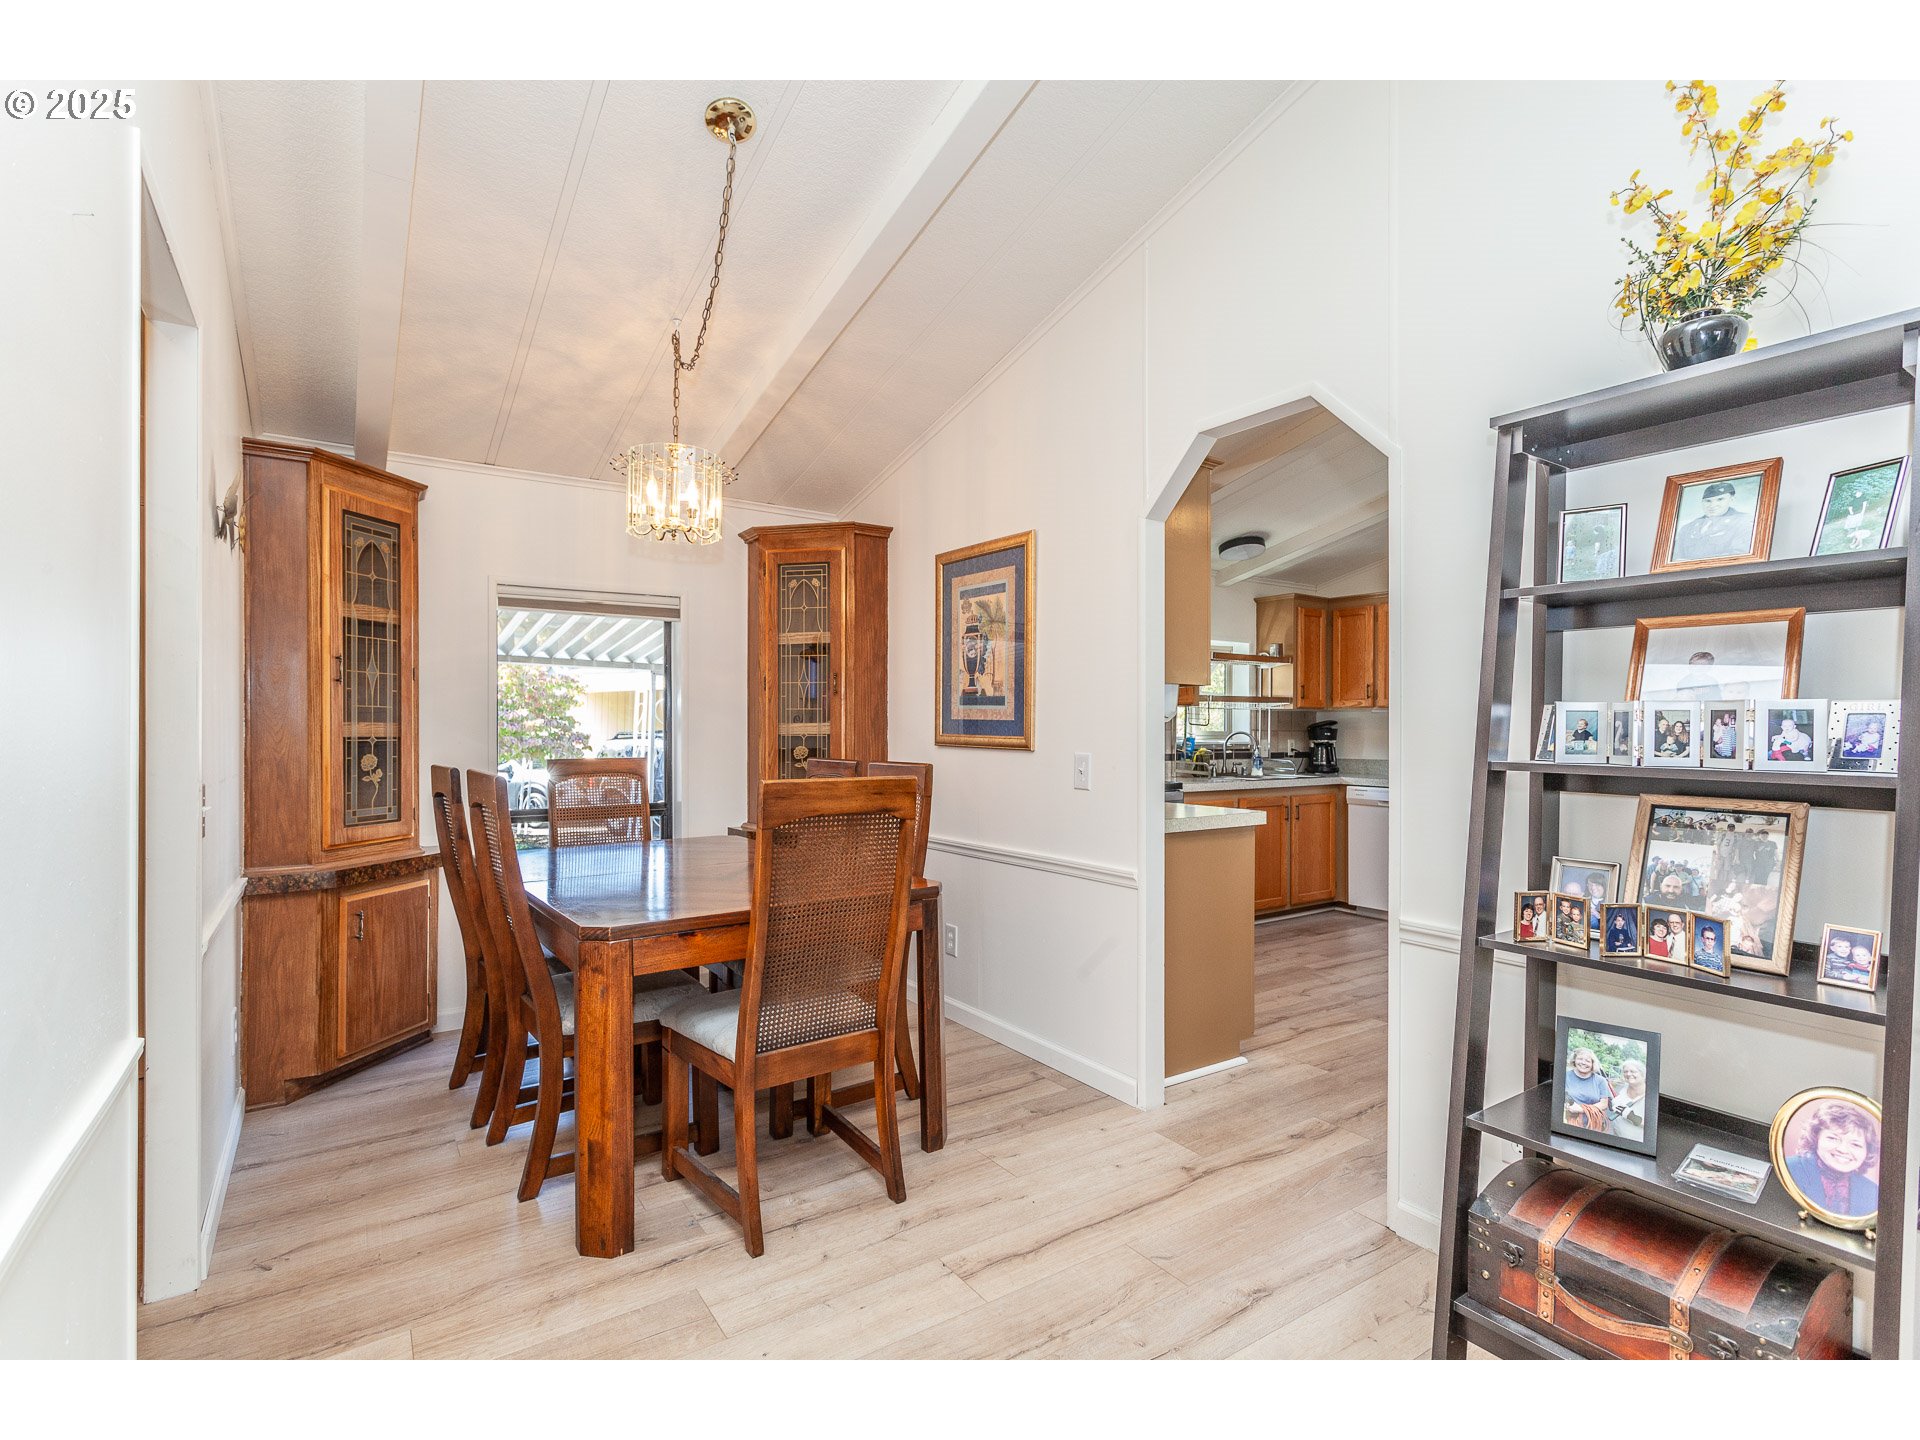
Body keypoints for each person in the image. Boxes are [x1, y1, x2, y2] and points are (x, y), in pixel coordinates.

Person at [1785, 1101, 1880, 1219]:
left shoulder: (1872, 1191)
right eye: (1833, 1138)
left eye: (1855, 1144)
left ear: (1867, 1151)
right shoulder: (1788, 1169)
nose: (1843, 1150)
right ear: (1815, 1138)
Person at [1672, 478, 1755, 562]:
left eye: (1720, 499)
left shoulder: (1744, 522)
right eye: (1708, 501)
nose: (1713, 505)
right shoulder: (1688, 528)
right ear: (1702, 502)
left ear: (1732, 499)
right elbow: (1674, 558)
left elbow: (1740, 556)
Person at [1562, 1046, 1614, 1131]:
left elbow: (1604, 1104)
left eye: (1587, 1061)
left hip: (1593, 1125)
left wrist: (1581, 1109)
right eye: (1580, 1059)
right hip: (1568, 1123)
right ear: (1574, 1060)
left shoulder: (1601, 1080)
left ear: (1592, 1064)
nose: (1583, 1063)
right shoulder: (1565, 1076)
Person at [1608, 1058, 1648, 1140]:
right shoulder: (1621, 1093)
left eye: (1633, 1071)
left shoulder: (1650, 1096)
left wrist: (1632, 1117)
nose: (1628, 1074)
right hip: (1618, 1141)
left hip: (1637, 1144)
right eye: (1625, 1071)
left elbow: (1654, 1125)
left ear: (1642, 1074)